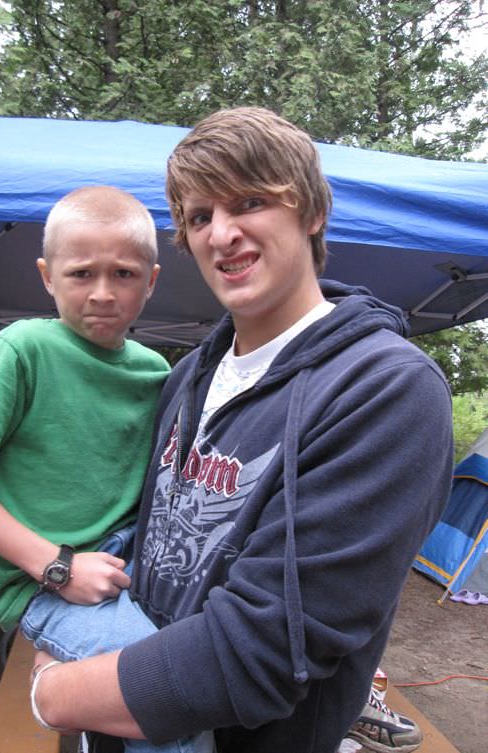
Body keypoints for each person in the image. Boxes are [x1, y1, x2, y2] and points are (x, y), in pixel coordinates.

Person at [27, 107, 454, 753]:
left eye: (250, 202)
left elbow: (262, 650)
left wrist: (53, 692)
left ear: (312, 212)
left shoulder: (385, 389)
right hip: (115, 719)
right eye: (200, 216)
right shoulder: (187, 377)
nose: (222, 234)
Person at [0, 186, 214, 753]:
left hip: (133, 562)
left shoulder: (155, 371)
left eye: (124, 274)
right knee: (166, 696)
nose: (103, 293)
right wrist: (58, 568)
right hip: (43, 581)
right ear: (47, 276)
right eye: (81, 274)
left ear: (151, 281)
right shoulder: (23, 349)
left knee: (220, 668)